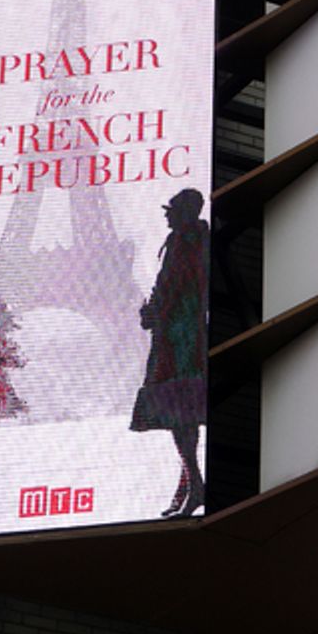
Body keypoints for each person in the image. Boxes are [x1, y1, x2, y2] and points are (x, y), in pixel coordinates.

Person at [130, 188, 209, 517]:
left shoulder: (184, 243)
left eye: (171, 210)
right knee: (184, 414)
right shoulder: (191, 241)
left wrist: (154, 313)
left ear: (185, 212)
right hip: (184, 334)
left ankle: (194, 487)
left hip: (179, 339)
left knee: (180, 414)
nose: (166, 215)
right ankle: (190, 488)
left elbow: (175, 286)